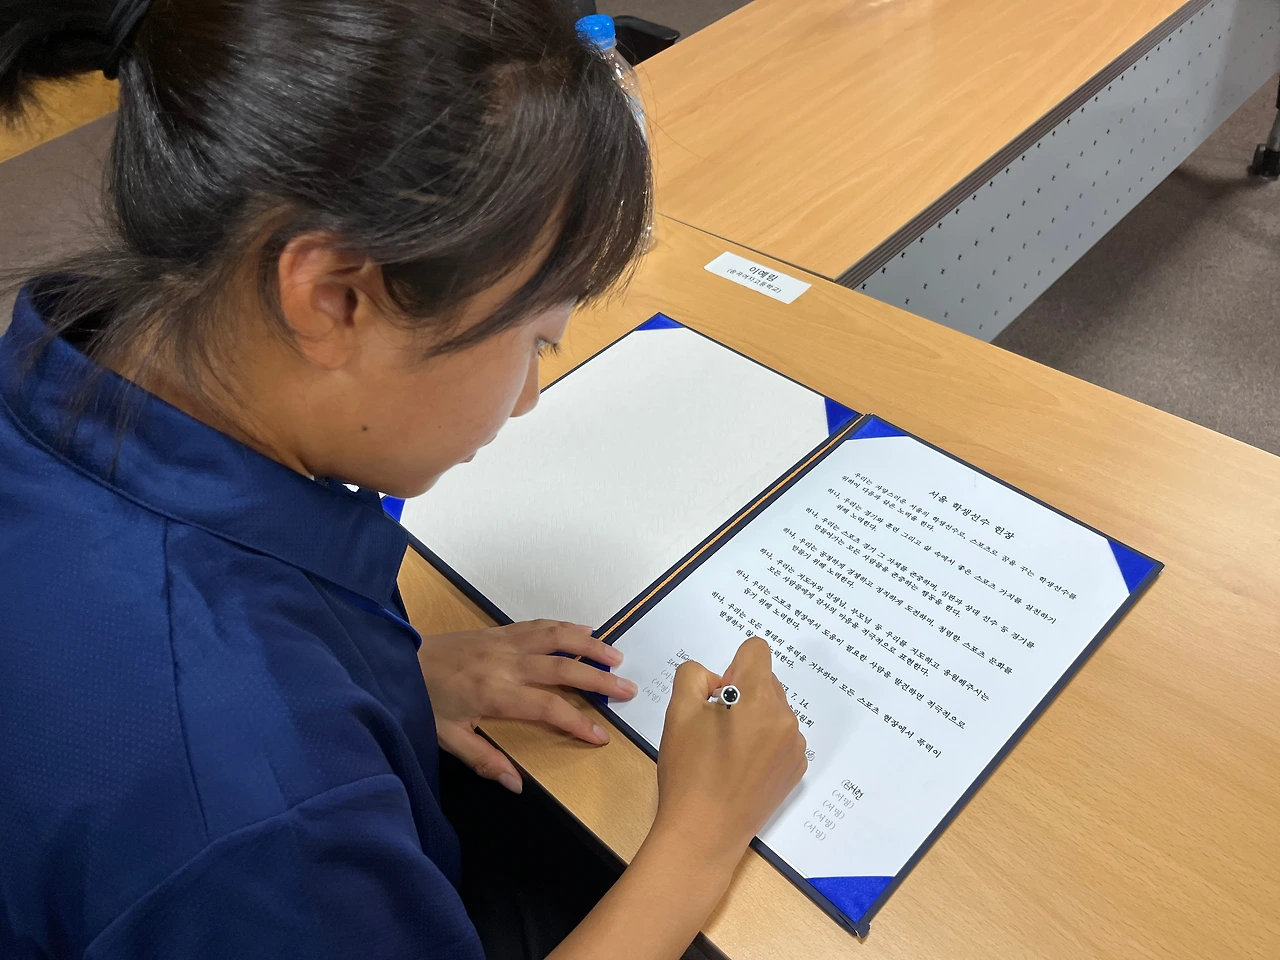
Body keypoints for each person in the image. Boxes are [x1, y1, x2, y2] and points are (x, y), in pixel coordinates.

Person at [0, 2, 808, 959]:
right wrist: (701, 836)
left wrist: (389, 682)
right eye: (535, 342)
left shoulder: (61, 370)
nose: (527, 400)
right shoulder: (265, 818)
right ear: (332, 300)